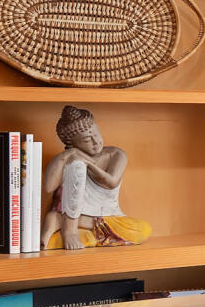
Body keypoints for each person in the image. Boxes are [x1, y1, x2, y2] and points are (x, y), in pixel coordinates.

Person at [46, 104, 150, 250]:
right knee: (77, 166)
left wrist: (88, 162)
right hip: (72, 217)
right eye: (87, 140)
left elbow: (111, 182)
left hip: (110, 217)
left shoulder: (116, 154)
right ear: (72, 143)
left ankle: (62, 222)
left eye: (96, 134)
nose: (96, 142)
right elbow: (49, 186)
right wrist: (66, 155)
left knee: (142, 230)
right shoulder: (72, 159)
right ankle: (69, 229)